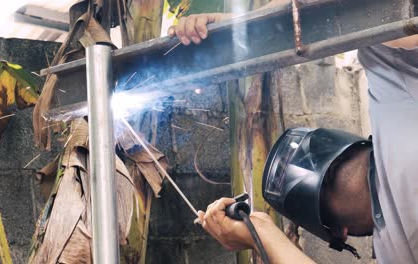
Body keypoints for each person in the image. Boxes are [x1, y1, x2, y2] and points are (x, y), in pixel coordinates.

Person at [167, 1, 418, 263]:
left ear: (336, 233)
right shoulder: (397, 251)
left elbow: (373, 12)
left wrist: (241, 28)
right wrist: (260, 233)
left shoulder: (393, 77)